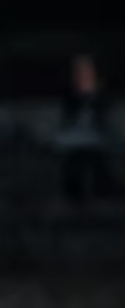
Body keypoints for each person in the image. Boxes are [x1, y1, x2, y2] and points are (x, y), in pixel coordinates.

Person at [61, 55, 111, 206]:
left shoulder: (99, 94)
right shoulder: (71, 95)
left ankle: (100, 192)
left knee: (96, 161)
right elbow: (68, 116)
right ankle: (74, 195)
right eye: (80, 72)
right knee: (74, 162)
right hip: (75, 136)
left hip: (94, 136)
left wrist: (94, 96)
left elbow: (101, 115)